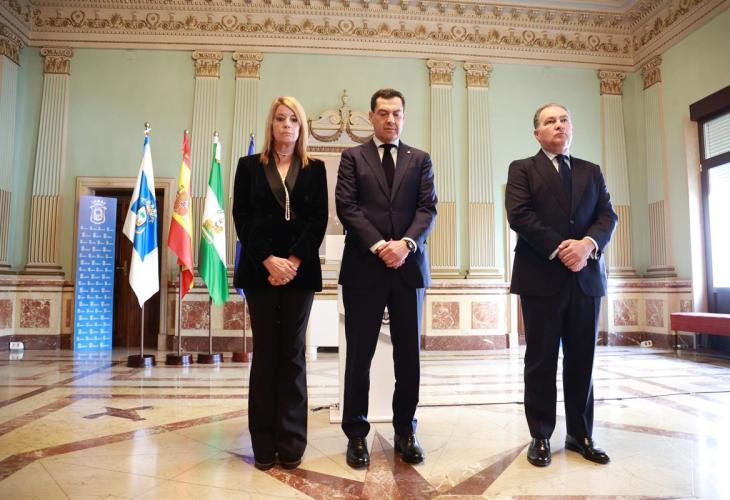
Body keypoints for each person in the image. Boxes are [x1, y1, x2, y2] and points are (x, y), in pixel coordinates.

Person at [505, 103, 618, 467]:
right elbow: (519, 215)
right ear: (537, 133)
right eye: (550, 121)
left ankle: (580, 434)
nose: (559, 125)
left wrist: (587, 245)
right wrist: (561, 248)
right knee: (541, 359)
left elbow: (607, 215)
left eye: (564, 119)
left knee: (582, 359)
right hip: (541, 277)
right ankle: (540, 434)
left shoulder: (591, 171)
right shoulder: (522, 169)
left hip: (586, 277)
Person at [335, 88, 437, 468]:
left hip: (408, 269)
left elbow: (428, 209)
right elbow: (347, 207)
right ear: (371, 117)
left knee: (408, 357)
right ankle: (356, 434)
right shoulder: (353, 157)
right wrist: (381, 246)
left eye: (396, 113)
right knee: (359, 357)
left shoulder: (420, 159)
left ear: (403, 117)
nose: (390, 119)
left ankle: (405, 431)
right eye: (383, 113)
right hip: (364, 268)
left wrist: (405, 244)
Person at [232, 96, 328, 471]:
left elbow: (318, 219)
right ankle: (263, 443)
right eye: (280, 119)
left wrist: (293, 262)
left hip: (299, 274)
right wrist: (268, 260)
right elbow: (242, 217)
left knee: (292, 354)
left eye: (293, 119)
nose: (286, 125)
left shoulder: (315, 169)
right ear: (271, 125)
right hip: (260, 272)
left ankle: (291, 443)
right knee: (265, 354)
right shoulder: (249, 166)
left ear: (301, 127)